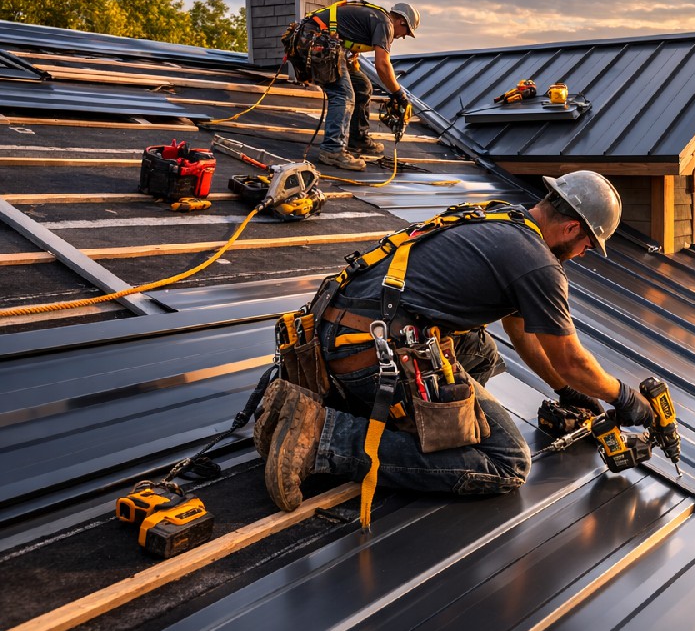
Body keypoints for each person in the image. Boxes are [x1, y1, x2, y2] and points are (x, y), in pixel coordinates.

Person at [255, 170, 657, 511]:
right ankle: (323, 437)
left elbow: (521, 332)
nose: (584, 253)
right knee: (507, 462)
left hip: (336, 333)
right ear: (571, 228)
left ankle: (381, 413)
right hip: (369, 355)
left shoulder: (503, 217)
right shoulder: (539, 265)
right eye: (588, 244)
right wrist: (624, 398)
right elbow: (571, 359)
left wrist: (566, 391)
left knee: (481, 352)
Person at [286, 0, 420, 172]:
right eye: (406, 32)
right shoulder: (385, 23)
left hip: (324, 41)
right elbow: (382, 65)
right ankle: (332, 149)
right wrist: (398, 94)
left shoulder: (376, 19)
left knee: (362, 85)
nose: (402, 37)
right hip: (316, 40)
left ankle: (358, 139)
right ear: (401, 22)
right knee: (343, 94)